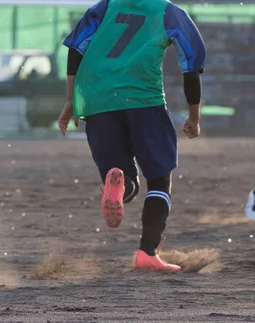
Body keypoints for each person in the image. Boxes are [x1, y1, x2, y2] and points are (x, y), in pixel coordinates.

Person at [58, 0, 206, 272]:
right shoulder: (169, 12)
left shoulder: (105, 7)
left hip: (98, 100)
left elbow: (76, 49)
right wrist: (194, 117)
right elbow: (191, 66)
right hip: (145, 101)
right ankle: (146, 253)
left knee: (124, 181)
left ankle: (118, 181)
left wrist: (71, 101)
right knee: (159, 181)